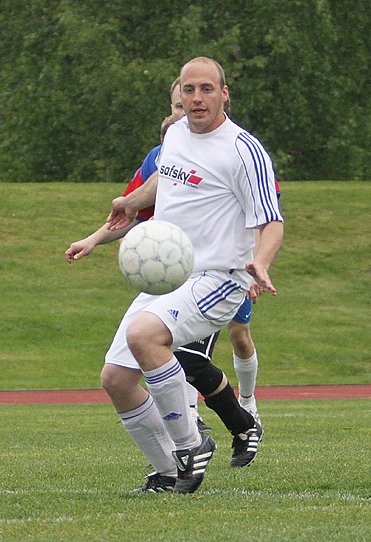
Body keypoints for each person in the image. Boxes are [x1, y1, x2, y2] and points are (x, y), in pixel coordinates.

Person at [102, 57, 283, 494]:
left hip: (219, 276)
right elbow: (164, 179)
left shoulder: (244, 150)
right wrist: (132, 202)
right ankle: (167, 470)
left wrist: (262, 262)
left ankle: (190, 442)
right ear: (178, 94)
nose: (197, 98)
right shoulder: (176, 135)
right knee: (117, 379)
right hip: (171, 278)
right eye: (189, 90)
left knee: (145, 335)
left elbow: (272, 220)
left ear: (224, 93)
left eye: (206, 89)